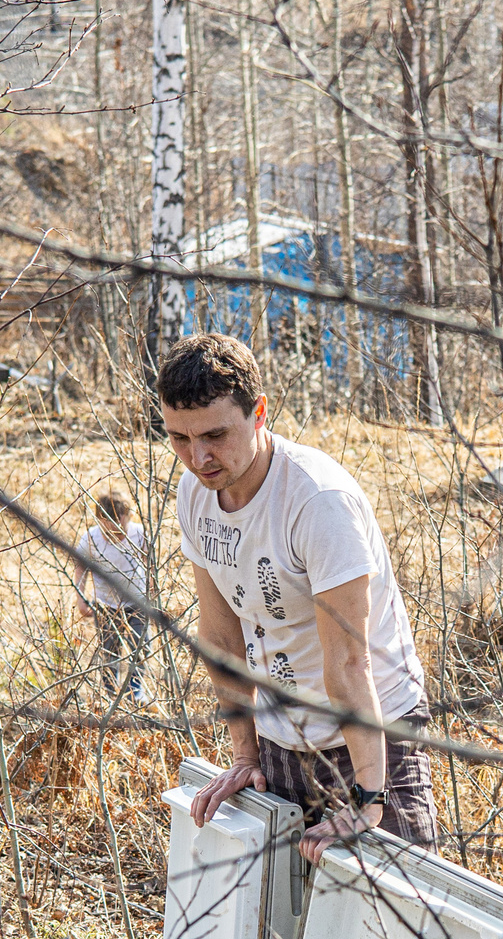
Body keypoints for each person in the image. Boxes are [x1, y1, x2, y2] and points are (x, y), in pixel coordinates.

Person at [163, 333, 438, 863]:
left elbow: (349, 660)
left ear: (259, 412)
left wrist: (370, 798)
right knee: (298, 920)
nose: (198, 456)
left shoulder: (317, 501)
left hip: (374, 740)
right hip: (281, 740)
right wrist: (246, 753)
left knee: (400, 918)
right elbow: (221, 636)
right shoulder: (195, 491)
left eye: (215, 435)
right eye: (179, 437)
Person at [74, 489, 152, 703]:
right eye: (110, 531)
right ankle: (110, 697)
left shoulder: (140, 533)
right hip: (106, 605)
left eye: (120, 529)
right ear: (100, 521)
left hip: (137, 603)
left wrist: (152, 593)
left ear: (129, 517)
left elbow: (150, 565)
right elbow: (80, 568)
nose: (116, 536)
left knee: (141, 647)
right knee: (110, 653)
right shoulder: (91, 539)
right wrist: (81, 599)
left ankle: (135, 694)